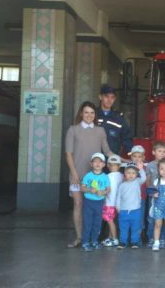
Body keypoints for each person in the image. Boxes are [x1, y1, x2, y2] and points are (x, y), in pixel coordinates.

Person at [65, 101, 113, 248]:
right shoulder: (73, 130)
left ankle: (92, 238)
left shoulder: (100, 131)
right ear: (81, 113)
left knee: (95, 207)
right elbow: (69, 154)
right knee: (78, 204)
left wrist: (124, 159)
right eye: (86, 112)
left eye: (92, 113)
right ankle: (80, 237)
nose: (89, 115)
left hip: (97, 176)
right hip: (77, 174)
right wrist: (74, 173)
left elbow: (107, 152)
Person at [80, 152, 111, 251]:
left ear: (103, 164)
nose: (97, 164)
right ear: (91, 164)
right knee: (87, 222)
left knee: (97, 223)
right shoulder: (88, 176)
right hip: (89, 202)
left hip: (99, 202)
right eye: (95, 161)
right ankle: (85, 242)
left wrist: (103, 192)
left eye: (100, 162)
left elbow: (108, 189)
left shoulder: (105, 177)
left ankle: (94, 241)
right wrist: (90, 190)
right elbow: (82, 188)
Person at [116, 162, 147, 249]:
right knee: (123, 228)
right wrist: (118, 207)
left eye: (133, 173)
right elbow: (118, 197)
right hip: (124, 210)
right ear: (125, 174)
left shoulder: (137, 182)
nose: (131, 175)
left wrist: (141, 169)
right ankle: (123, 242)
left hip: (136, 210)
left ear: (137, 174)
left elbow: (144, 178)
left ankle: (134, 242)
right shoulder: (122, 185)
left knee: (135, 227)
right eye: (128, 173)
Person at [97, 84, 132, 155]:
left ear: (115, 99)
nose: (109, 100)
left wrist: (133, 154)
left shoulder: (119, 118)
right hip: (94, 161)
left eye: (112, 97)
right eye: (106, 96)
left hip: (112, 162)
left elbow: (127, 138)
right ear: (100, 97)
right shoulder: (92, 115)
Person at [146, 141, 165, 248]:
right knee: (152, 218)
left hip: (164, 196)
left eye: (164, 152)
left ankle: (162, 238)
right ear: (153, 152)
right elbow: (148, 180)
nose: (162, 153)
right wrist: (151, 192)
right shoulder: (150, 165)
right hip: (153, 196)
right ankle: (151, 238)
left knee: (163, 218)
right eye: (159, 151)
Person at [101, 155, 123, 247]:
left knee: (110, 221)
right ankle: (110, 238)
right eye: (111, 165)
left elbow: (105, 190)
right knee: (112, 221)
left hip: (109, 203)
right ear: (108, 166)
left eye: (115, 165)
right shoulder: (122, 176)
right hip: (118, 204)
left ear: (119, 166)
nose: (113, 166)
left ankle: (114, 239)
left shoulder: (107, 176)